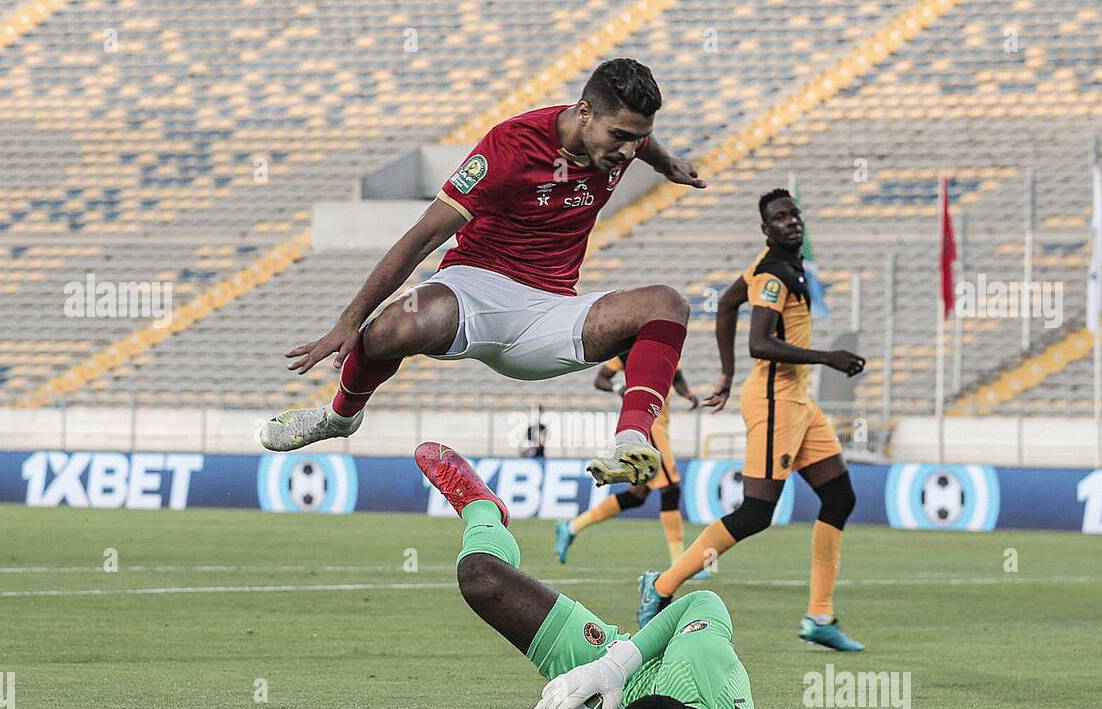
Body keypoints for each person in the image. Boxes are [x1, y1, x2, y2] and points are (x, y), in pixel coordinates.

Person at [261, 59, 705, 487]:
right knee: (391, 329)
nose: (628, 149)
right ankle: (338, 418)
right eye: (622, 137)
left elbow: (643, 145)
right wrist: (348, 320)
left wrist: (669, 166)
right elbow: (421, 238)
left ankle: (629, 442)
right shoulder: (511, 147)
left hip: (551, 311)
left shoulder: (618, 137)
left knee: (667, 303)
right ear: (584, 112)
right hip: (476, 286)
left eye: (638, 139)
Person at [306, 442, 755, 709]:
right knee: (480, 578)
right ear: (671, 698)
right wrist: (615, 666)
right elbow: (702, 603)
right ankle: (485, 511)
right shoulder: (700, 665)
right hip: (627, 671)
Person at [636, 188, 866, 651]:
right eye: (780, 218)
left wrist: (724, 373)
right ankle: (661, 585)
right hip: (775, 401)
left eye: (794, 214)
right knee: (756, 512)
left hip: (798, 402)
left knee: (839, 498)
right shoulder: (772, 275)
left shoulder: (779, 265)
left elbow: (724, 304)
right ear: (766, 229)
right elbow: (759, 342)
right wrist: (828, 357)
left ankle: (819, 616)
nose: (791, 222)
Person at [556, 356, 706, 570]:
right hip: (649, 427)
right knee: (670, 490)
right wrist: (619, 387)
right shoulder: (631, 350)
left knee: (637, 495)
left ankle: (571, 527)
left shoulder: (669, 348)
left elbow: (677, 376)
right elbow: (601, 379)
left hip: (661, 425)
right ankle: (678, 563)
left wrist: (686, 393)